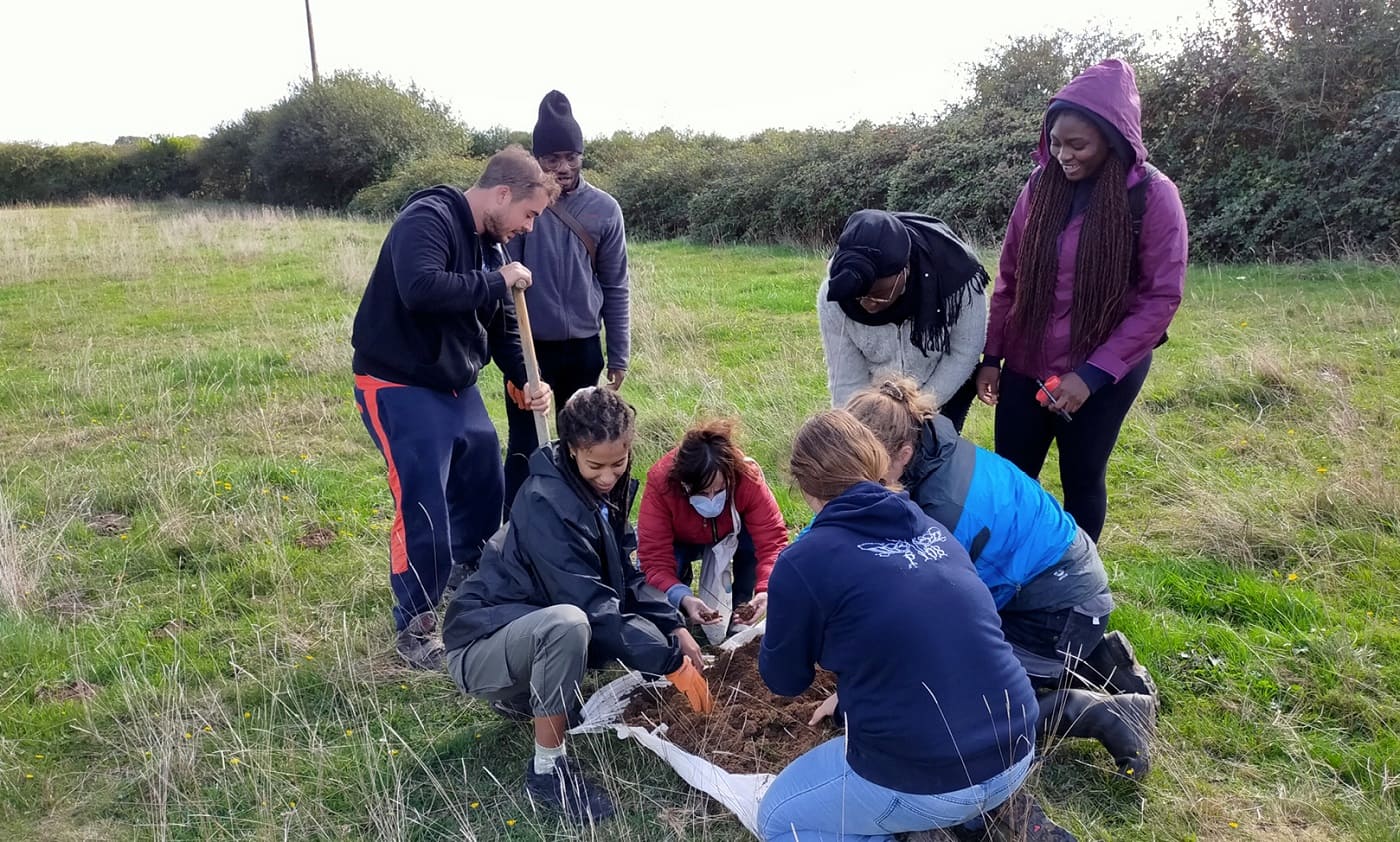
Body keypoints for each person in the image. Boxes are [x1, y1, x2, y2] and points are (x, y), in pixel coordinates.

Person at [848, 377, 1157, 779]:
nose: (860, 480)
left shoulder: (944, 509)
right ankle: (1100, 659)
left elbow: (947, 616)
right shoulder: (932, 449)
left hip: (1059, 608)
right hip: (1057, 589)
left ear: (902, 453)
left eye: (866, 468)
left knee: (965, 710)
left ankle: (1106, 713)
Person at [756, 409, 1038, 842]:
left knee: (781, 819)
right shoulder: (933, 529)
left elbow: (785, 680)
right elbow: (930, 638)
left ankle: (904, 822)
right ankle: (935, 820)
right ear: (875, 462)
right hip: (1016, 748)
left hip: (931, 776)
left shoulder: (804, 561)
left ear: (803, 485)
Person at [442, 387, 712, 824]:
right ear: (571, 450)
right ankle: (547, 772)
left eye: (618, 463)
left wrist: (672, 625)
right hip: (481, 644)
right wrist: (669, 661)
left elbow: (627, 573)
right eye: (596, 466)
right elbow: (590, 603)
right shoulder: (547, 504)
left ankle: (525, 699)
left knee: (582, 627)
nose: (608, 477)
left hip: (523, 626)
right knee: (571, 625)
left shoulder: (599, 492)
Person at [352, 146, 557, 670]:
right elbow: (421, 289)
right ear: (503, 193)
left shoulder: (491, 248)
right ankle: (416, 625)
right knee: (424, 504)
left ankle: (470, 583)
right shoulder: (428, 217)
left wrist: (526, 379)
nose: (528, 228)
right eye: (529, 215)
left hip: (454, 387)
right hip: (397, 383)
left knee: (483, 480)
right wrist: (499, 280)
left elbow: (502, 327)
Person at [976, 58, 1188, 542]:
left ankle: (1077, 590)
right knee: (1011, 479)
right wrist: (993, 357)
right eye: (1055, 143)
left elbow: (1161, 297)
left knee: (1082, 476)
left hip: (1105, 370)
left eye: (1078, 145)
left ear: (1112, 141)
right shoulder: (1038, 187)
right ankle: (1010, 581)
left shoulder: (1154, 197)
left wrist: (1090, 376)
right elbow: (1009, 277)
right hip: (1029, 359)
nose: (1063, 155)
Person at [503, 90, 631, 514]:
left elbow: (615, 284)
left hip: (581, 346)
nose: (562, 167)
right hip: (530, 348)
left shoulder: (604, 210)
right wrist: (513, 364)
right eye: (552, 158)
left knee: (587, 444)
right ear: (537, 159)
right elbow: (504, 287)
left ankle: (588, 526)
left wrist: (619, 352)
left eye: (571, 156)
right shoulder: (522, 207)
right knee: (524, 446)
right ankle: (517, 534)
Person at [818, 209, 989, 431]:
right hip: (876, 397)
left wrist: (916, 410)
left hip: (943, 384)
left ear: (904, 271)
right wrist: (854, 433)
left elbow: (964, 351)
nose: (868, 305)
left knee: (936, 455)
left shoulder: (958, 278)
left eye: (879, 295)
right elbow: (846, 379)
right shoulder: (836, 293)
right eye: (860, 297)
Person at [636, 419, 788, 640]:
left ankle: (741, 609)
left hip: (731, 532)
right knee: (662, 592)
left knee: (752, 544)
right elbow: (653, 559)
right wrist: (683, 597)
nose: (712, 499)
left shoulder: (746, 475)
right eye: (702, 492)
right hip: (680, 539)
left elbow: (772, 541)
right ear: (683, 484)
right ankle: (679, 615)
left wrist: (766, 589)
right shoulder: (662, 483)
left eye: (720, 489)